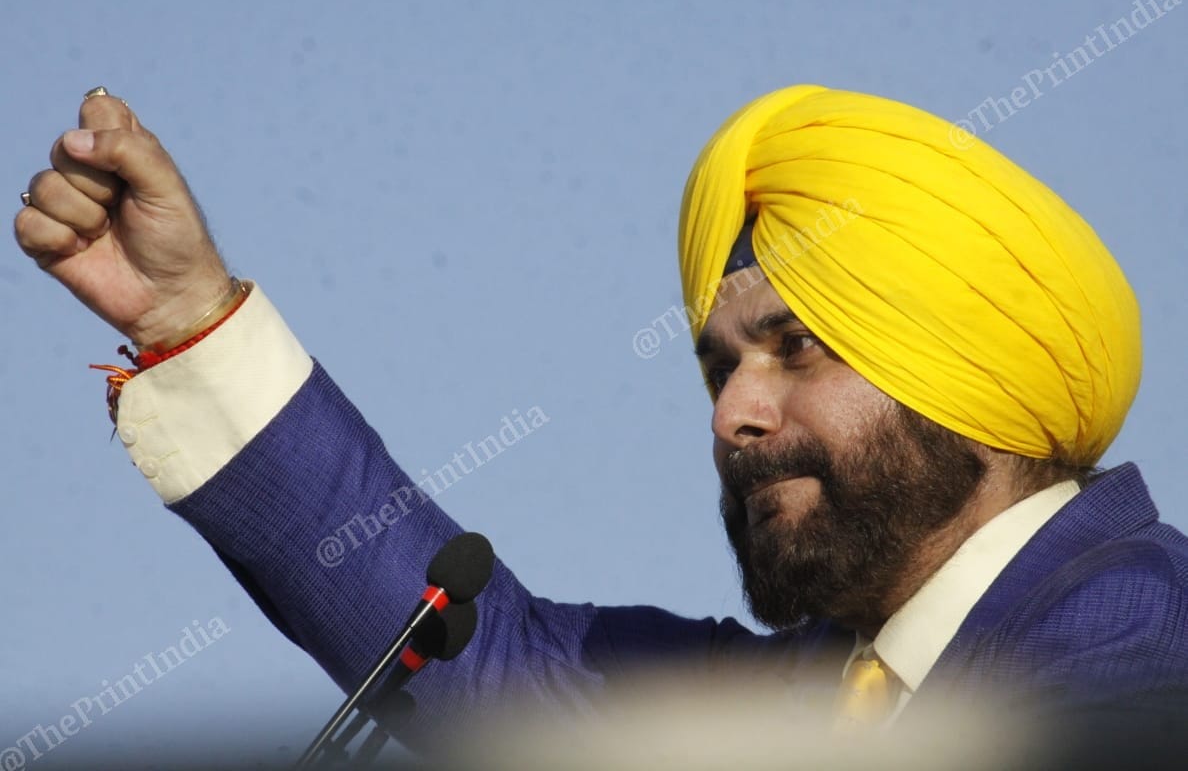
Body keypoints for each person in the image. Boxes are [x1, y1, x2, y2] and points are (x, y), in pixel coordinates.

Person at [15, 85, 1188, 756]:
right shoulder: (819, 693)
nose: (735, 413)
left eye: (796, 350)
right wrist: (188, 315)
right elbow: (480, 655)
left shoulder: (1137, 634)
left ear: (967, 369)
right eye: (718, 367)